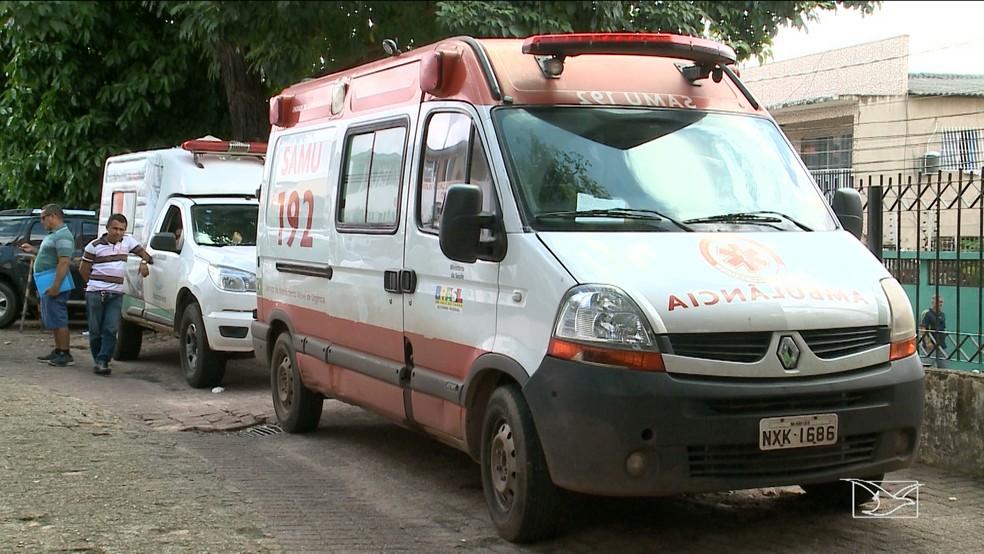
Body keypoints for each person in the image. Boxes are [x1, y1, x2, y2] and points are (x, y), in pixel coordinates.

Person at [79, 213, 153, 376]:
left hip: (116, 293)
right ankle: (98, 359)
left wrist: (143, 263)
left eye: (122, 229)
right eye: (115, 229)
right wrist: (94, 285)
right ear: (107, 228)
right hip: (96, 292)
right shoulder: (94, 246)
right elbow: (83, 269)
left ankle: (103, 360)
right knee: (95, 329)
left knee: (111, 328)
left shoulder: (127, 242)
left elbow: (145, 254)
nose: (118, 233)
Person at [18, 204, 76, 367]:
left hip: (54, 283)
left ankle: (65, 353)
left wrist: (56, 286)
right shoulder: (54, 235)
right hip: (46, 281)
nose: (42, 221)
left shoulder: (63, 236)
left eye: (43, 218)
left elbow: (63, 262)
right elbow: (49, 255)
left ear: (53, 216)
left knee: (58, 317)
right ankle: (58, 350)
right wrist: (34, 250)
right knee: (52, 317)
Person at [920, 295, 948, 369]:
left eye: (941, 302)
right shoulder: (928, 314)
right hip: (931, 346)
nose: (940, 304)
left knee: (944, 368)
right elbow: (923, 328)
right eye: (938, 302)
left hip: (941, 345)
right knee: (927, 367)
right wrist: (927, 342)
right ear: (933, 302)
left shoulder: (942, 315)